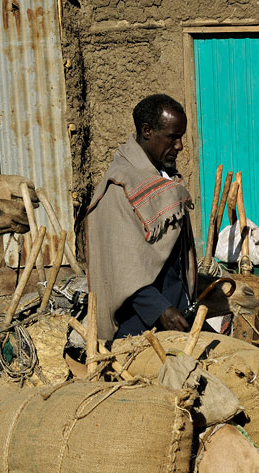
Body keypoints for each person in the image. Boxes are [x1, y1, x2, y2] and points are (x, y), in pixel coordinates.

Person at [85, 93, 196, 339]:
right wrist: (160, 310)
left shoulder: (162, 179)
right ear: (147, 131)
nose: (179, 146)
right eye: (172, 137)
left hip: (176, 317)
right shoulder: (120, 188)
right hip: (139, 328)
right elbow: (120, 268)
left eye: (181, 137)